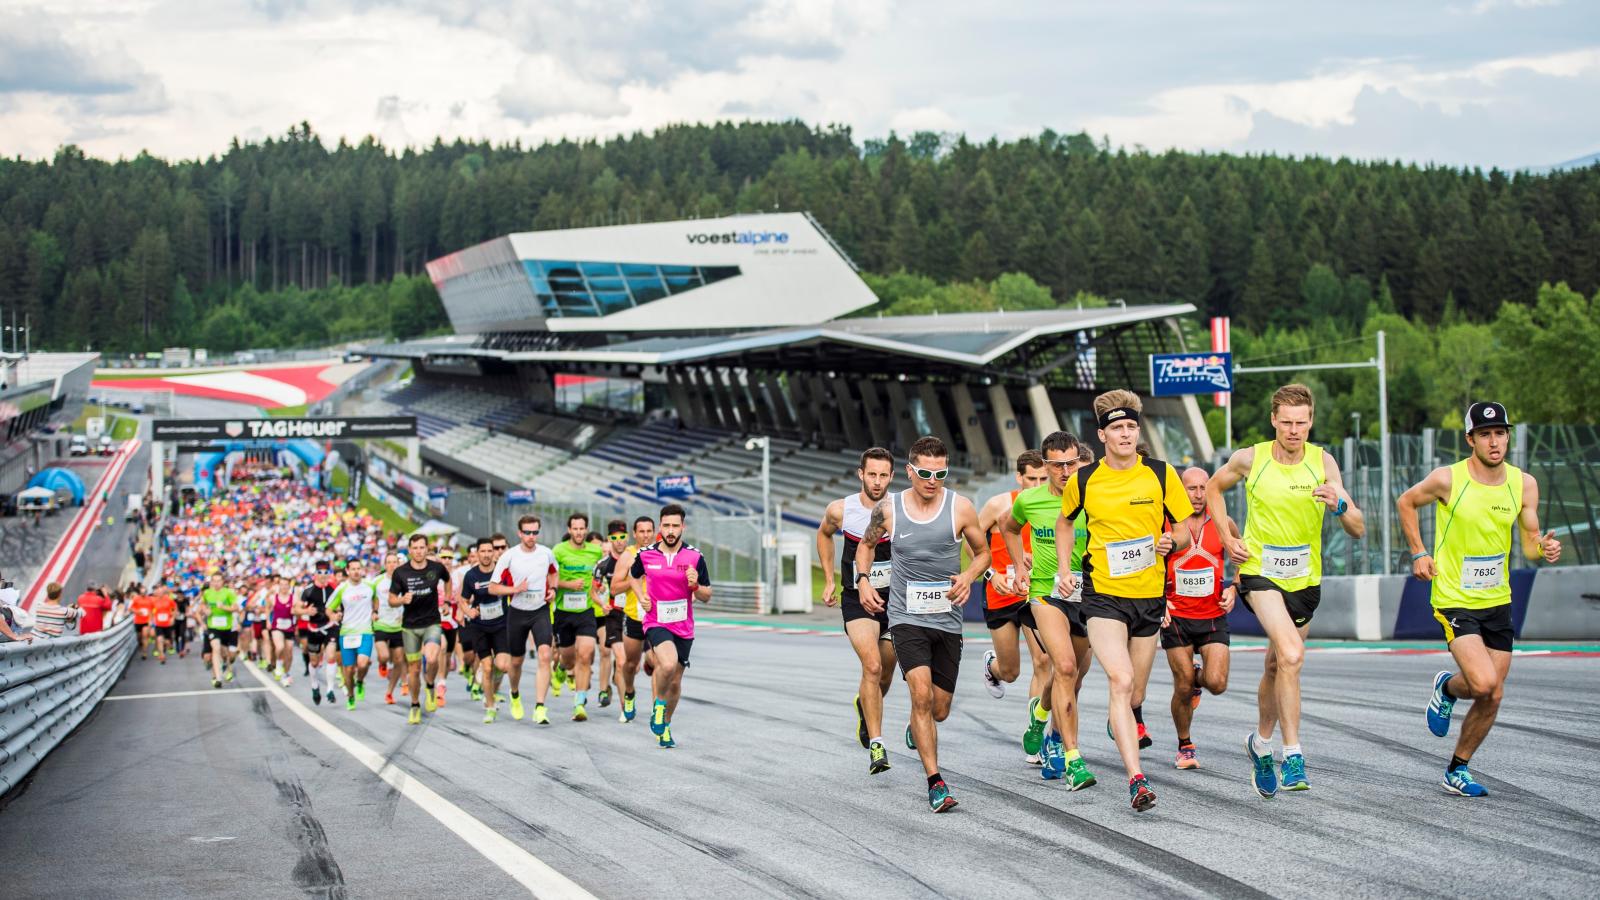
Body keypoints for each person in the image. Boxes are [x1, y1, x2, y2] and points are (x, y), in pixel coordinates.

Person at [1205, 383, 1364, 798]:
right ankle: (1292, 754)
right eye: (1287, 422)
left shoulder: (1323, 461)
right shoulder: (1250, 458)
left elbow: (1359, 528)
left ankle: (1260, 742)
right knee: (1293, 653)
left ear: (1311, 422)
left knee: (1279, 665)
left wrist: (1340, 506)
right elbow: (1212, 489)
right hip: (1260, 574)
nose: (1294, 430)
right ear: (1273, 420)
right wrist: (1225, 536)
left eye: (1302, 423)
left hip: (1305, 581)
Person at [1397, 401, 1562, 797]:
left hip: (1497, 600)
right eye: (1485, 434)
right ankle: (1452, 690)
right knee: (1486, 682)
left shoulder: (1524, 484)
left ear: (1508, 437)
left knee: (1492, 692)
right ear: (1470, 439)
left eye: (1500, 433)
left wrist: (1544, 548)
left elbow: (1529, 542)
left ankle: (1457, 762)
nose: (1494, 441)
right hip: (1454, 597)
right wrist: (1419, 551)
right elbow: (1406, 502)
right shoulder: (1447, 479)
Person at [1060, 391, 1194, 811]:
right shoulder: (1085, 480)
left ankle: (1121, 716)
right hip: (1103, 595)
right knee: (1119, 681)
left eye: (1131, 427)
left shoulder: (1160, 473)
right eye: (1117, 428)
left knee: (1134, 692)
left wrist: (1174, 540)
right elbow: (1065, 524)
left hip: (1149, 596)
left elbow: (1186, 529)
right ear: (1102, 435)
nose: (1125, 434)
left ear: (1138, 432)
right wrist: (1065, 570)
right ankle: (1137, 779)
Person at [856, 436, 989, 812]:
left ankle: (920, 727)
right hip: (905, 617)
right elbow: (866, 545)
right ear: (911, 471)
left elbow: (983, 553)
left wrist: (968, 577)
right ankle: (936, 782)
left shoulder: (960, 508)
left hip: (947, 619)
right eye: (926, 473)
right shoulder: (889, 509)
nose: (933, 480)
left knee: (939, 708)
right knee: (921, 695)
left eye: (941, 473)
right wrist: (863, 579)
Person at [1004, 433, 1100, 789]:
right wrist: (1020, 567)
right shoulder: (1029, 500)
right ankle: (1070, 756)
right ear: (1045, 465)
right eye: (1057, 465)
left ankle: (1041, 713)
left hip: (1087, 595)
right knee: (1064, 667)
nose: (1064, 471)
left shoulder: (1095, 500)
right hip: (1046, 593)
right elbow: (1008, 527)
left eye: (1071, 464)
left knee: (1073, 677)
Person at [816, 446, 898, 774]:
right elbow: (824, 535)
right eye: (872, 474)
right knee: (873, 666)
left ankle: (865, 705)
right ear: (860, 474)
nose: (877, 482)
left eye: (883, 475)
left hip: (895, 600)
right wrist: (827, 579)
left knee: (886, 674)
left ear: (892, 477)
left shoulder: (900, 509)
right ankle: (877, 745)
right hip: (856, 599)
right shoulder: (841, 509)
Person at [1162, 466, 1238, 770]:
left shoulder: (1223, 523)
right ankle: (1185, 745)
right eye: (1190, 488)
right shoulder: (1165, 523)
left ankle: (1198, 680)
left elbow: (1244, 554)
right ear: (1180, 491)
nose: (1196, 495)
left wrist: (1234, 586)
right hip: (1176, 616)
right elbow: (1149, 564)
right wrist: (1159, 602)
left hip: (1212, 615)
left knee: (1217, 683)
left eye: (1202, 488)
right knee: (1181, 686)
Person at [630, 503, 712, 749]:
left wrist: (696, 586)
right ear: (660, 526)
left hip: (683, 626)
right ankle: (658, 706)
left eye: (675, 525)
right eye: (666, 525)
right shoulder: (646, 555)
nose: (671, 530)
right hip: (656, 621)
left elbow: (708, 595)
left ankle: (665, 724)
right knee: (666, 663)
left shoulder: (695, 557)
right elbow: (634, 576)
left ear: (683, 527)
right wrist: (640, 596)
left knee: (675, 681)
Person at [489, 516, 557, 724]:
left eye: (535, 532)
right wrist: (515, 589)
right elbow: (493, 587)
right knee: (516, 661)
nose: (531, 537)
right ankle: (515, 694)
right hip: (517, 612)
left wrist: (553, 589)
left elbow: (554, 573)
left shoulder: (546, 553)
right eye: (527, 533)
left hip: (540, 610)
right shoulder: (509, 557)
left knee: (545, 656)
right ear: (519, 533)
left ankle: (540, 707)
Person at [389, 534, 453, 725]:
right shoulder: (401, 572)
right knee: (414, 670)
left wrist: (448, 601)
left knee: (433, 657)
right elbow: (391, 599)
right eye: (415, 548)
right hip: (410, 627)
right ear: (409, 550)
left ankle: (431, 685)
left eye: (422, 547)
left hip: (432, 622)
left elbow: (448, 581)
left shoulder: (436, 568)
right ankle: (415, 705)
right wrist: (401, 600)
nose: (418, 551)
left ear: (427, 549)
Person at [552, 513, 606, 721]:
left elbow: (602, 573)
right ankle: (562, 669)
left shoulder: (595, 551)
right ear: (569, 530)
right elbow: (551, 579)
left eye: (582, 528)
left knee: (585, 655)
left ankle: (579, 702)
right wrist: (568, 585)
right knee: (568, 659)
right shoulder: (559, 551)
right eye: (575, 529)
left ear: (586, 529)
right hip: (564, 612)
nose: (579, 532)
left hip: (586, 611)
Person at [607, 517, 656, 723]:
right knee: (629, 664)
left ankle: (657, 710)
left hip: (656, 617)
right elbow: (614, 588)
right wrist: (635, 578)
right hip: (634, 616)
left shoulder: (660, 553)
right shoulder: (628, 556)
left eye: (649, 531)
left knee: (659, 662)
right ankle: (628, 693)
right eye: (641, 531)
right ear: (634, 534)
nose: (645, 535)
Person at [460, 536, 507, 723]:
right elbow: (463, 600)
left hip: (502, 625)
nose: (487, 555)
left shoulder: (502, 571)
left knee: (502, 666)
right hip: (480, 626)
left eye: (490, 551)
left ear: (494, 552)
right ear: (477, 553)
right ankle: (490, 706)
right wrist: (468, 611)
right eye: (483, 551)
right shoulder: (471, 576)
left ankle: (492, 690)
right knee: (486, 667)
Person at [327, 558, 377, 711]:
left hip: (365, 631)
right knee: (348, 670)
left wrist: (375, 611)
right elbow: (329, 608)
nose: (356, 571)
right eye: (353, 569)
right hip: (347, 633)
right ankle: (350, 695)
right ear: (347, 571)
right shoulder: (342, 588)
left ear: (361, 570)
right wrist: (333, 616)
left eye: (358, 568)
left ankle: (360, 681)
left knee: (362, 663)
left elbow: (376, 600)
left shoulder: (369, 586)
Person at [592, 519, 632, 710]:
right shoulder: (603, 565)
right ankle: (626, 707)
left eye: (622, 537)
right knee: (622, 660)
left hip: (634, 616)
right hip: (613, 616)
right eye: (614, 538)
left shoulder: (636, 559)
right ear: (609, 539)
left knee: (631, 666)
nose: (619, 541)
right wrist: (602, 603)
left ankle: (624, 682)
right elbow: (593, 591)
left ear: (627, 537)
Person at [293, 562, 339, 706]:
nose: (323, 575)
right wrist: (306, 611)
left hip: (330, 626)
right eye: (320, 572)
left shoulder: (334, 589)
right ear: (315, 574)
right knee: (314, 661)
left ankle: (330, 690)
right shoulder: (308, 590)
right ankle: (315, 686)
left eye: (326, 572)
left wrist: (339, 614)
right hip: (313, 628)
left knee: (331, 656)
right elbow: (296, 610)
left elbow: (341, 606)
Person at [370, 552, 406, 704]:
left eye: (394, 562)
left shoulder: (405, 581)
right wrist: (373, 612)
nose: (392, 565)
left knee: (399, 661)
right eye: (389, 562)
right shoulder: (377, 581)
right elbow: (369, 598)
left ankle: (390, 693)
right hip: (381, 624)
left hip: (398, 626)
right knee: (384, 655)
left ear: (398, 564)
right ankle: (383, 663)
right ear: (385, 565)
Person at [201, 571, 243, 688]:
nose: (216, 583)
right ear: (211, 582)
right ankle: (218, 678)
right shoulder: (207, 593)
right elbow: (203, 605)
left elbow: (236, 608)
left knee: (228, 654)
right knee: (216, 647)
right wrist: (206, 610)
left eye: (218, 581)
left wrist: (223, 607)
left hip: (227, 628)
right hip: (213, 627)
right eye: (214, 581)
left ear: (223, 582)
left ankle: (225, 663)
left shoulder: (229, 593)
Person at [266, 576, 296, 685]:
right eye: (282, 584)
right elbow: (268, 608)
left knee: (289, 652)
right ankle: (278, 664)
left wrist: (296, 611)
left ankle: (286, 673)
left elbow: (297, 609)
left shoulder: (294, 597)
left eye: (286, 584)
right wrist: (268, 621)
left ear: (289, 586)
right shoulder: (274, 597)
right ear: (279, 586)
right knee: (280, 647)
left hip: (289, 627)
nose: (284, 587)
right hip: (277, 627)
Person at [151, 585, 180, 662]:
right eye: (158, 592)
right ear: (156, 592)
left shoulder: (169, 600)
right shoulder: (153, 600)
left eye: (161, 592)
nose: (160, 593)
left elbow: (175, 609)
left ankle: (170, 646)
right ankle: (162, 655)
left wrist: (173, 618)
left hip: (167, 624)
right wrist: (152, 620)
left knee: (167, 641)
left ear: (163, 592)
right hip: (158, 624)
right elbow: (150, 611)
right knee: (159, 639)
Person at [130, 588, 154, 659]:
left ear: (146, 592)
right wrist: (137, 611)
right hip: (138, 621)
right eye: (142, 592)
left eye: (144, 592)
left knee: (145, 636)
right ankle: (140, 644)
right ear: (140, 593)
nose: (143, 594)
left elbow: (152, 610)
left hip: (146, 621)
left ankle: (144, 653)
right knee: (139, 637)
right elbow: (131, 608)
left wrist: (151, 620)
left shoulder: (150, 599)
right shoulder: (136, 599)